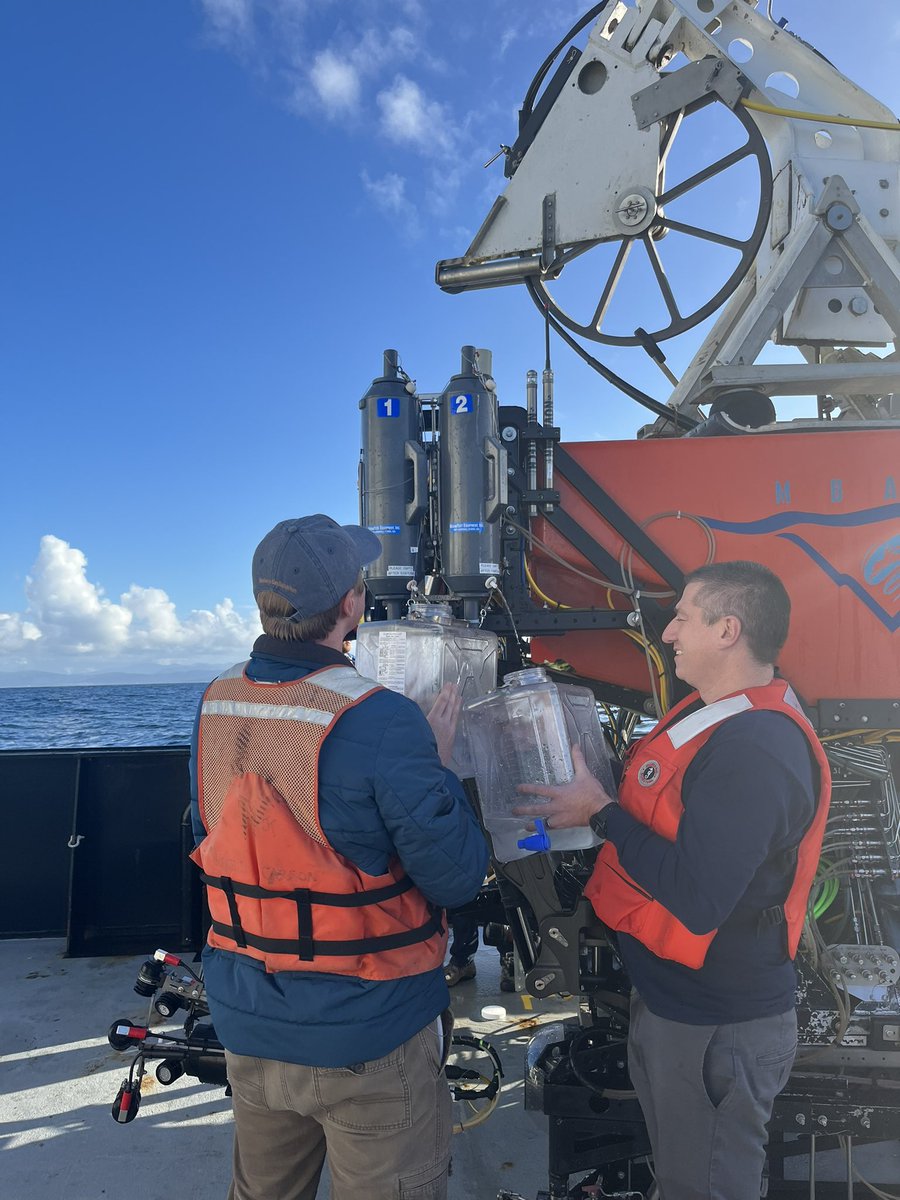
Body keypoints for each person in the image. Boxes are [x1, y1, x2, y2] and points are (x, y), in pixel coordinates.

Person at [189, 514, 489, 1200]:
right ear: (352, 604)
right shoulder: (381, 719)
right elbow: (457, 875)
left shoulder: (216, 703)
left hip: (248, 1021)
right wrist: (437, 766)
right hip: (369, 1035)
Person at [514, 561, 831, 1200]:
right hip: (675, 1003)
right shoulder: (717, 716)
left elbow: (697, 897)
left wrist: (599, 815)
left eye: (683, 615)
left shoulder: (753, 749)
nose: (668, 633)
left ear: (727, 630)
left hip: (716, 1022)